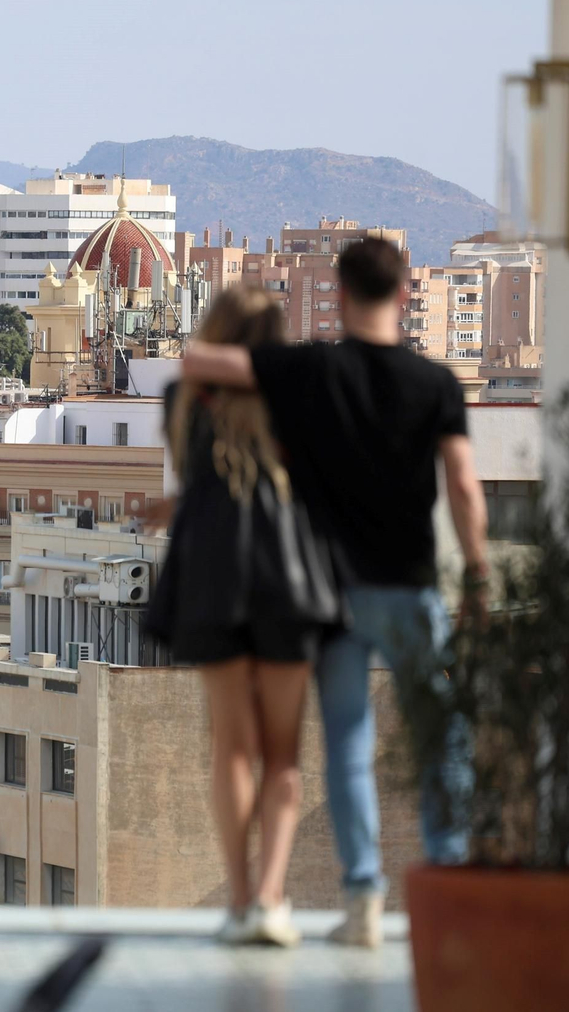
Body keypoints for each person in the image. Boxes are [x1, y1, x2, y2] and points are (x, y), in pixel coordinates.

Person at [183, 237, 488, 949]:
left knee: (347, 749)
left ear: (341, 295)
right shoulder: (436, 383)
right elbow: (467, 489)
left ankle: (362, 901)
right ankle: (449, 872)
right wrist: (476, 571)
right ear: (406, 294)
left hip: (336, 595)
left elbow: (200, 361)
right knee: (443, 736)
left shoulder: (312, 370)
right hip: (412, 591)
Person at [148, 286, 346, 947]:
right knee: (283, 754)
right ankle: (270, 900)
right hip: (288, 577)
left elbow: (197, 475)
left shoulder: (184, 399)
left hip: (211, 578)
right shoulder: (298, 397)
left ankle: (237, 900)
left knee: (230, 748)